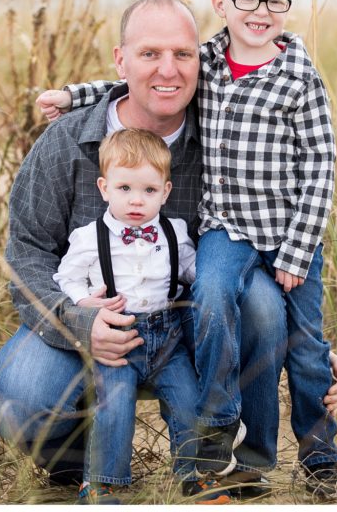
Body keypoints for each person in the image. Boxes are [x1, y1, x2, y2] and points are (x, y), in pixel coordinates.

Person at [0, 0, 337, 504]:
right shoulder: (68, 141)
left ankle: (232, 465)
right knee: (23, 396)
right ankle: (81, 464)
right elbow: (27, 252)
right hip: (93, 318)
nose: (168, 71)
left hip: (192, 326)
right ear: (121, 60)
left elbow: (281, 227)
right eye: (150, 54)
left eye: (182, 54)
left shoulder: (224, 133)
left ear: (200, 60)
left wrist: (313, 348)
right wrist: (78, 319)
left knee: (264, 302)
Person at [54, 128, 228, 503]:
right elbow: (65, 277)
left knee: (186, 400)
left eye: (149, 191)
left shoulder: (174, 232)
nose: (136, 201)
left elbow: (195, 274)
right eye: (125, 189)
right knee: (113, 407)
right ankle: (102, 482)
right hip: (119, 336)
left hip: (168, 338)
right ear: (104, 188)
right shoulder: (89, 237)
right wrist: (85, 302)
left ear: (166, 191)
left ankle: (193, 472)